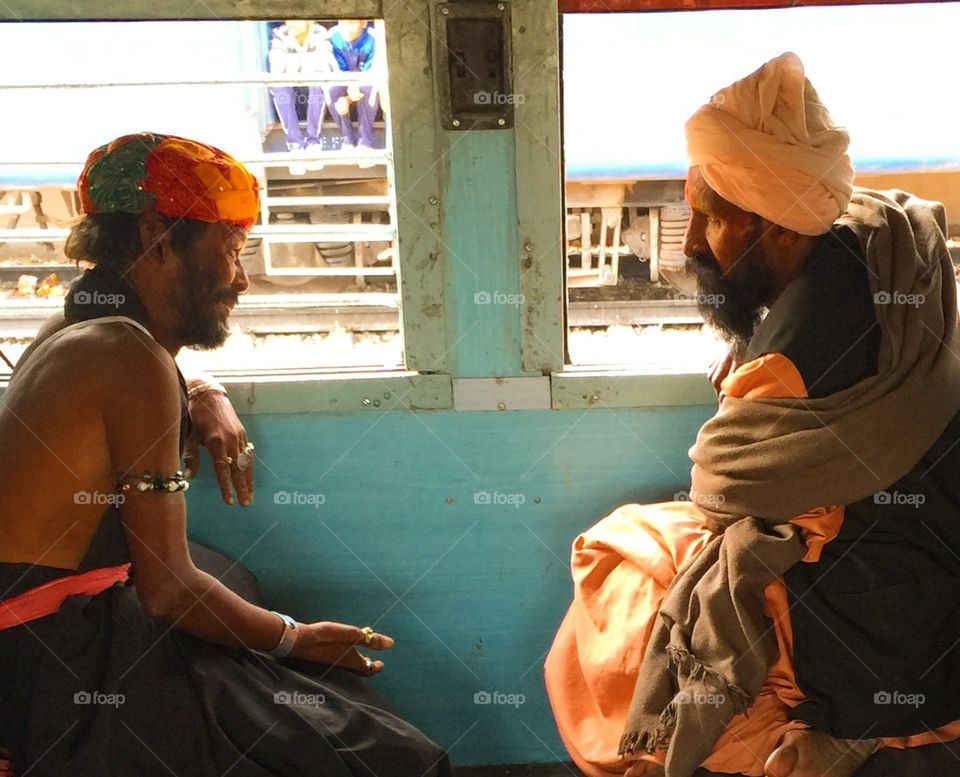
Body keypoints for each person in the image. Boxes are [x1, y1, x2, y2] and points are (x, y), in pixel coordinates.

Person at [545, 53, 960, 777]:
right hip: (927, 542)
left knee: (616, 561)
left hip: (870, 601)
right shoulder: (885, 234)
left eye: (711, 220)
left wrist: (758, 370)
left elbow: (722, 487)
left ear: (780, 229)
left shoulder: (789, 365)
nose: (691, 244)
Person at [0, 132, 451, 776]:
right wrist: (295, 636)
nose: (240, 278)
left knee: (237, 588)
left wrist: (200, 390)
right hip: (55, 665)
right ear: (158, 234)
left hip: (41, 627)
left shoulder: (83, 325)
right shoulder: (129, 357)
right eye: (231, 250)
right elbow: (170, 591)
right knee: (388, 758)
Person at [267, 20, 336, 152]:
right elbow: (276, 65)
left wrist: (292, 63)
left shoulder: (320, 32)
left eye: (296, 19)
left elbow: (325, 65)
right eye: (288, 19)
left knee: (318, 82)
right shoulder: (280, 34)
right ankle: (295, 143)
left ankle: (313, 140)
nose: (291, 23)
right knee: (278, 85)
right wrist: (309, 62)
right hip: (292, 92)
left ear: (309, 20)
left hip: (313, 92)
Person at [327, 20, 380, 154]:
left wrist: (350, 95)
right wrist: (348, 93)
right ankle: (347, 139)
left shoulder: (373, 37)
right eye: (343, 21)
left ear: (363, 23)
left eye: (351, 22)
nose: (346, 26)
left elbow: (372, 72)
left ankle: (364, 142)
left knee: (369, 88)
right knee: (331, 89)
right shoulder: (333, 36)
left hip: (365, 81)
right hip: (344, 81)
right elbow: (336, 70)